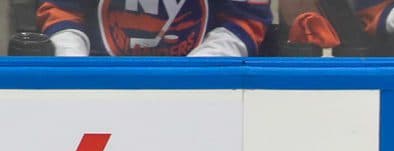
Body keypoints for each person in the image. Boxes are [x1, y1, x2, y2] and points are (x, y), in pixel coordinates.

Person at [36, 0, 270, 55]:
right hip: (97, 93)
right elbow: (62, 12)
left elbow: (243, 21)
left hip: (202, 103)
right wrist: (72, 78)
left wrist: (196, 78)